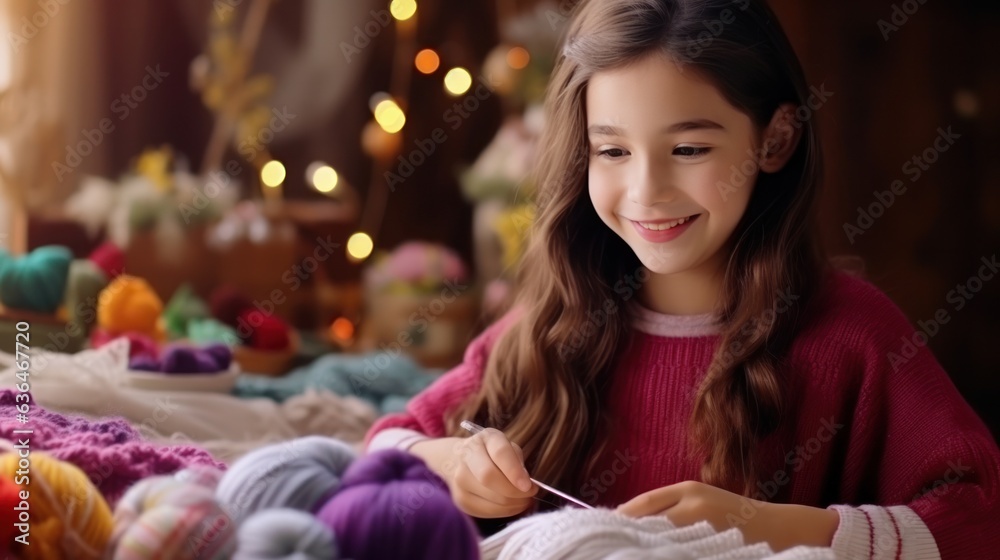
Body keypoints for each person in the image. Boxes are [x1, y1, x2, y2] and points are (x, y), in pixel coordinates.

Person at [365, 0, 1000, 557]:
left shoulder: (854, 335)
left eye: (690, 149)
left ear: (775, 141)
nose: (647, 192)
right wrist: (448, 467)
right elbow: (385, 449)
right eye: (612, 151)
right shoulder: (551, 327)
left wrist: (771, 529)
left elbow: (978, 521)